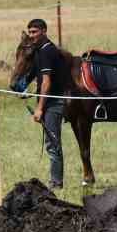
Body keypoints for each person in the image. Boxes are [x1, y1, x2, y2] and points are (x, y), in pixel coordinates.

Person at [25, 17, 70, 190]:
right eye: (29, 32)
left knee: (53, 142)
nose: (32, 35)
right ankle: (55, 180)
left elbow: (46, 82)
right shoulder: (41, 50)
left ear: (44, 31)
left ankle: (56, 182)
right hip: (50, 102)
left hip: (54, 103)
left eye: (35, 32)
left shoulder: (46, 51)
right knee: (51, 142)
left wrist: (40, 108)